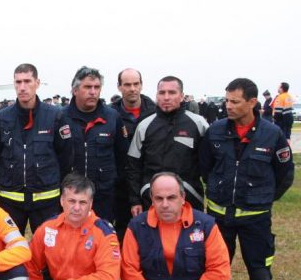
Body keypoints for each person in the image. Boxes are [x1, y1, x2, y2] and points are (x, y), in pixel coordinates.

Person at [200, 78, 294, 280]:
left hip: (256, 219)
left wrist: (261, 198)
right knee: (216, 273)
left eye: (235, 101)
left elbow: (284, 175)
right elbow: (205, 167)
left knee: (260, 275)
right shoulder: (215, 131)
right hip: (219, 217)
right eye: (226, 100)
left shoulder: (272, 134)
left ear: (252, 102)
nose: (228, 106)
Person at [0, 63, 74, 234]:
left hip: (46, 199)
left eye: (27, 81)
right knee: (9, 246)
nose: (22, 87)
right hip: (11, 199)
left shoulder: (55, 116)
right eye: (18, 82)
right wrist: (10, 175)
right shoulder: (2, 117)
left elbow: (66, 155)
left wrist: (50, 179)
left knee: (48, 247)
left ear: (37, 83)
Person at [126, 76, 209, 214]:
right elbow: (133, 166)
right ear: (156, 96)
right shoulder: (144, 126)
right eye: (162, 92)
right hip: (151, 200)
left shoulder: (199, 124)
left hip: (190, 200)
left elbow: (210, 166)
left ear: (181, 96)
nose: (166, 97)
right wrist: (135, 200)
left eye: (172, 92)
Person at [65, 66, 126, 222]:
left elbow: (122, 156)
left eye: (97, 87)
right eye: (87, 87)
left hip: (103, 196)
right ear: (75, 90)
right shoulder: (61, 118)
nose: (93, 92)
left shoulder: (112, 117)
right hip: (71, 196)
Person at [111, 68, 156, 241]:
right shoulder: (111, 115)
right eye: (127, 84)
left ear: (141, 85)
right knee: (122, 234)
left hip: (149, 183)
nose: (132, 89)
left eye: (136, 84)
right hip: (120, 187)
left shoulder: (156, 112)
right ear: (119, 87)